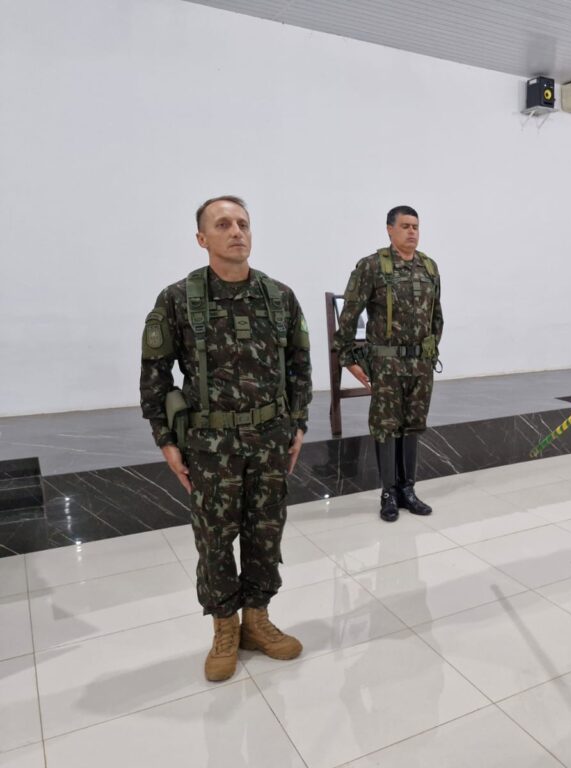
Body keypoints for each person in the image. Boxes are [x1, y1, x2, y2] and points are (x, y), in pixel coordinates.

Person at [140, 196, 312, 682]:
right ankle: (224, 627)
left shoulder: (280, 297)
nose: (236, 231)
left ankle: (257, 620)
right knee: (215, 540)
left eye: (243, 223)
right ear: (202, 239)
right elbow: (154, 374)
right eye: (223, 224)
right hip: (210, 446)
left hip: (271, 438)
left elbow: (300, 365)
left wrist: (298, 423)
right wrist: (165, 439)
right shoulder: (177, 299)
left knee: (265, 531)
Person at [333, 206, 443, 522]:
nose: (412, 232)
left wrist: (431, 349)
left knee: (412, 426)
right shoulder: (371, 267)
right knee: (386, 428)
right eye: (405, 226)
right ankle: (388, 493)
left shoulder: (429, 267)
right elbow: (349, 314)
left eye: (416, 226)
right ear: (389, 230)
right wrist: (348, 359)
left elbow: (437, 314)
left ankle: (408, 490)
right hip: (387, 364)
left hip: (420, 364)